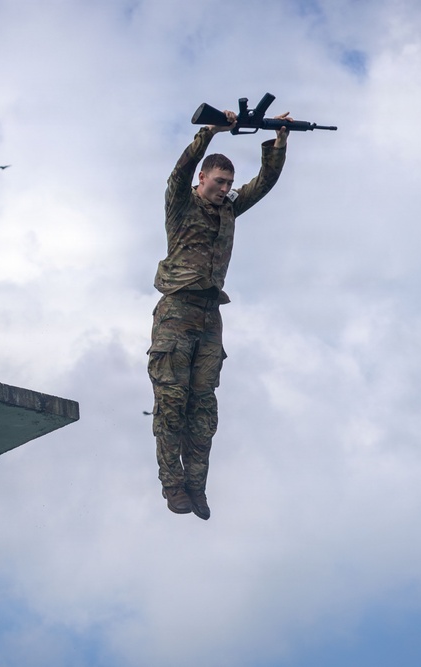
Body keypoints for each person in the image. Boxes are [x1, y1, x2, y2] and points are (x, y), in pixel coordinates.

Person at [148, 109, 290, 519]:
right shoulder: (180, 204)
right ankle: (172, 485)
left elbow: (263, 184)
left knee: (203, 409)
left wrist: (278, 143)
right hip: (176, 312)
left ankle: (197, 487)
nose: (225, 189)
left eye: (229, 183)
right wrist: (210, 132)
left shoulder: (227, 210)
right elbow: (180, 171)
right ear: (203, 180)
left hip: (210, 318)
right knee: (172, 404)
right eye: (219, 182)